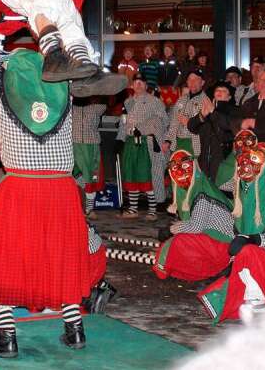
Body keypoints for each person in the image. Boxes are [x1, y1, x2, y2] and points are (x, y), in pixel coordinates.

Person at [0, 22, 98, 358]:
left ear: (12, 62)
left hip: (21, 186)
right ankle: (74, 328)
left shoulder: (0, 82)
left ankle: (6, 337)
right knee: (59, 256)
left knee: (3, 259)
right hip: (61, 189)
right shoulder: (63, 83)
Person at [198, 142, 265, 322]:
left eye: (254, 159)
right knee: (226, 289)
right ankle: (257, 296)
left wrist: (257, 239)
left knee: (248, 251)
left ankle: (264, 299)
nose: (246, 165)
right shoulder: (246, 197)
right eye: (242, 161)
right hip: (263, 262)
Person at [153, 150, 234, 281]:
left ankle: (215, 269)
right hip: (212, 240)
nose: (180, 172)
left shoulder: (201, 193)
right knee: (175, 242)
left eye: (185, 166)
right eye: (175, 168)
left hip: (224, 246)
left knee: (180, 241)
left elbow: (195, 226)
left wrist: (171, 230)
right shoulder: (190, 190)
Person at [118, 77, 168, 220]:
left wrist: (144, 128)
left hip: (146, 143)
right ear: (132, 85)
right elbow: (123, 123)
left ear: (146, 85)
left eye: (141, 82)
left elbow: (163, 121)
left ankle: (153, 210)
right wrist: (119, 140)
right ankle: (133, 209)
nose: (138, 85)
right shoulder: (127, 102)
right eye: (136, 82)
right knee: (131, 174)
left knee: (146, 175)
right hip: (130, 142)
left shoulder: (154, 101)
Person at [186, 80, 238, 183]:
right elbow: (191, 127)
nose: (219, 91)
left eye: (224, 90)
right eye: (217, 90)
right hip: (204, 160)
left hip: (223, 161)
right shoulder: (207, 109)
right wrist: (201, 115)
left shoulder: (234, 111)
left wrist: (213, 112)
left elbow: (227, 133)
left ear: (229, 97)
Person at [71, 96, 107, 215]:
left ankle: (89, 209)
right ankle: (77, 207)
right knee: (75, 177)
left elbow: (106, 102)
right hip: (73, 145)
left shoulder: (97, 108)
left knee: (90, 177)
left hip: (90, 147)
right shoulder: (70, 108)